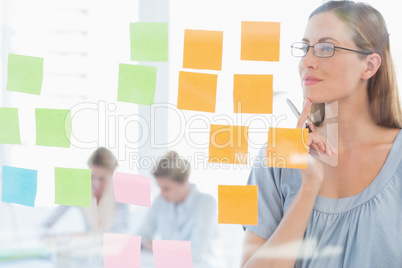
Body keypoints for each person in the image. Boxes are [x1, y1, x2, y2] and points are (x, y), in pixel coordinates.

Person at [241, 1, 402, 267]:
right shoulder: (276, 158)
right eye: (305, 48)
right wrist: (308, 186)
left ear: (370, 66)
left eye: (326, 48)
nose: (307, 62)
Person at [137, 151, 222, 267]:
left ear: (183, 183)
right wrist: (173, 250)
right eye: (159, 188)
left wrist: (155, 246)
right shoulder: (160, 202)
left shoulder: (206, 203)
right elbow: (140, 237)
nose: (162, 194)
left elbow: (196, 253)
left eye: (166, 188)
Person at [42, 147, 129, 234]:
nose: (96, 184)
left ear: (111, 175)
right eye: (92, 177)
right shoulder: (79, 190)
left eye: (102, 179)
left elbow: (123, 231)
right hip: (88, 245)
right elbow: (46, 224)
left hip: (110, 246)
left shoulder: (120, 193)